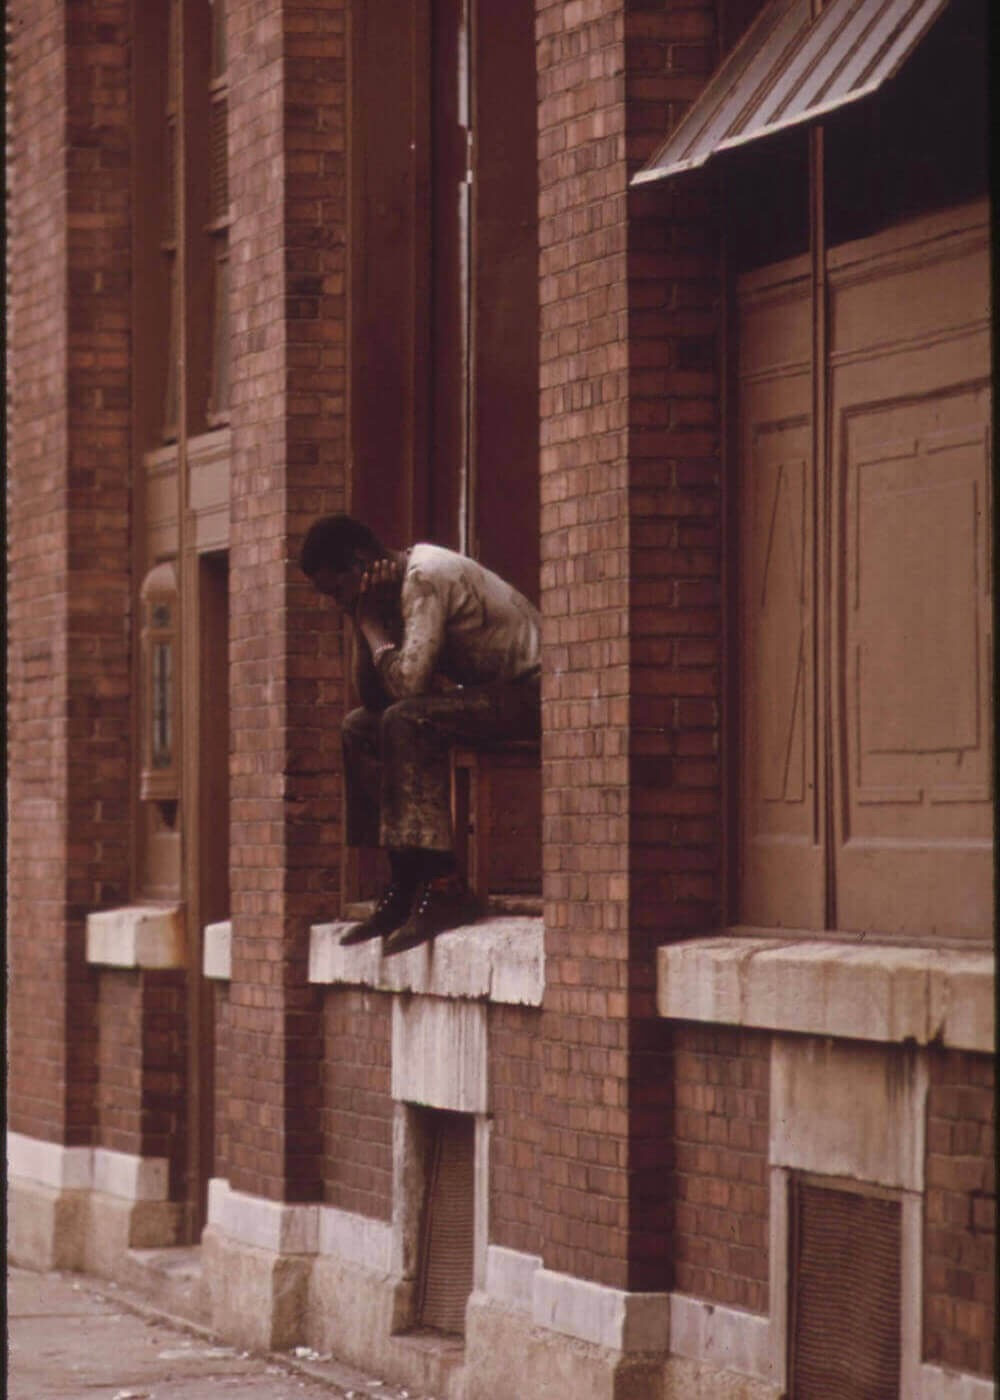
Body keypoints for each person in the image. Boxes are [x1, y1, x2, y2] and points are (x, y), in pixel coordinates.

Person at [300, 514, 541, 955]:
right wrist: (363, 621)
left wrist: (372, 627)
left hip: (536, 694)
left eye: (338, 591)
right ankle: (406, 878)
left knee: (409, 720)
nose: (337, 603)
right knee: (358, 728)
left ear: (359, 564)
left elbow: (408, 689)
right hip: (494, 696)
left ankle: (444, 883)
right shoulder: (389, 592)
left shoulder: (424, 578)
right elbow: (374, 701)